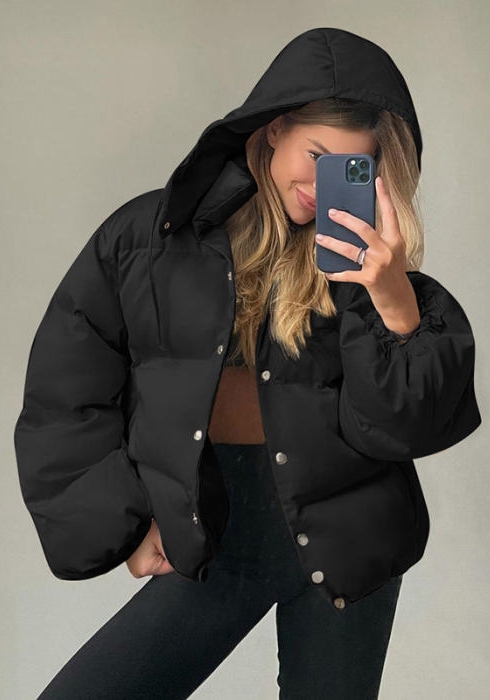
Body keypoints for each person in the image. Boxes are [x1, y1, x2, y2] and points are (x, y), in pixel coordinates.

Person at [14, 27, 480, 700]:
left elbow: (409, 426)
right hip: (218, 528)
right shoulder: (152, 239)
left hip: (349, 541)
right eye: (315, 156)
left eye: (349, 169)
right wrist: (124, 523)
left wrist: (394, 298)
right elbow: (66, 388)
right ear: (275, 128)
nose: (320, 186)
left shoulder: (369, 268)